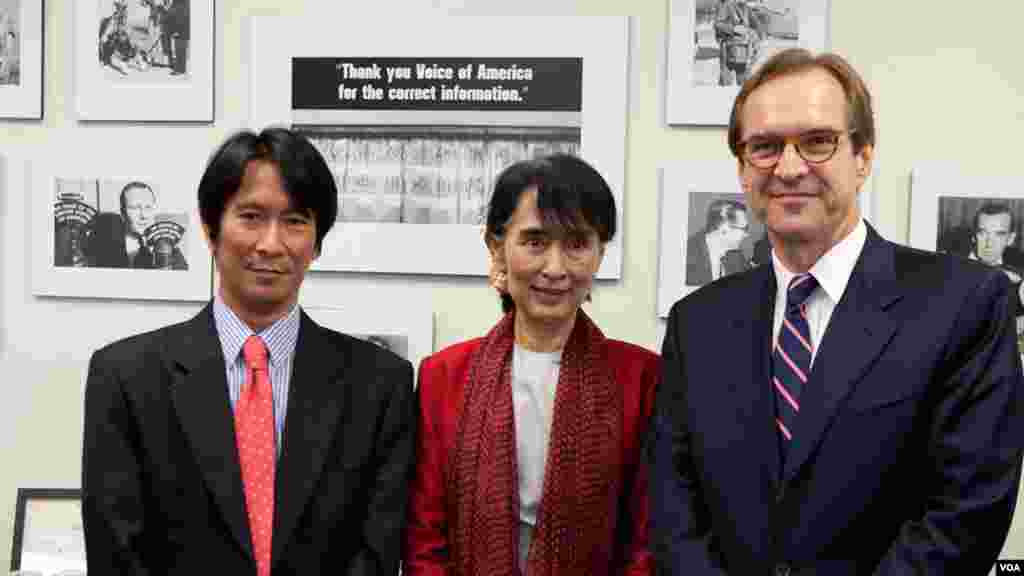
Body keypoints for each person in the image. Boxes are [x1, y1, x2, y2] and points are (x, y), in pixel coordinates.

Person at [649, 48, 1024, 575]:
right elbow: (675, 511)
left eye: (817, 141)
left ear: (863, 157)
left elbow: (966, 515)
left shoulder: (965, 304)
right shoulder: (697, 323)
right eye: (764, 147)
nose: (789, 167)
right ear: (742, 169)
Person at [82, 128, 416, 575]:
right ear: (210, 230)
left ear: (317, 243)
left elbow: (377, 552)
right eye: (251, 217)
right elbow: (117, 555)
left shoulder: (380, 384)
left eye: (295, 221)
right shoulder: (126, 377)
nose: (270, 244)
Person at [405, 154, 658, 575]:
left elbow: (646, 545)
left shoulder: (643, 378)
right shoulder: (443, 377)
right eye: (535, 241)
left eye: (577, 244)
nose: (555, 268)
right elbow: (425, 543)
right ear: (497, 248)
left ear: (599, 253)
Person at [119, 181, 188, 270]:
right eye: (135, 208)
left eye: (148, 207)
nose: (144, 216)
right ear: (122, 212)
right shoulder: (107, 246)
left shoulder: (170, 249)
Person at [685, 198, 751, 286]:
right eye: (744, 228)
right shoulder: (687, 255)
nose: (747, 235)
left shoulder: (736, 256)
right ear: (724, 228)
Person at [714, 0, 761, 86]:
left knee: (744, 85)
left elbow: (756, 27)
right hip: (728, 51)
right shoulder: (727, 5)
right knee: (725, 84)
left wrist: (753, 35)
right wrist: (733, 29)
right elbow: (718, 24)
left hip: (744, 53)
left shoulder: (746, 8)